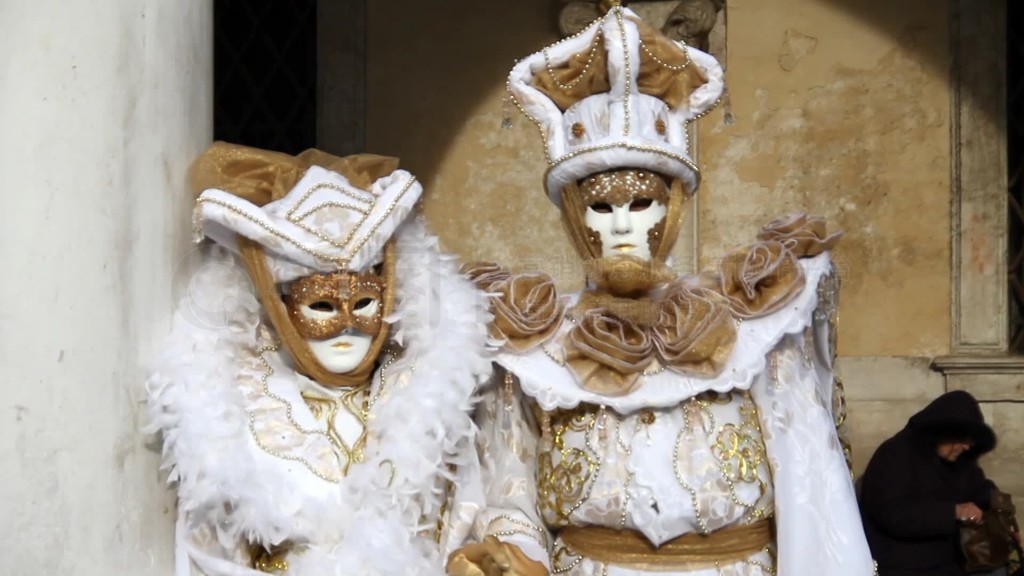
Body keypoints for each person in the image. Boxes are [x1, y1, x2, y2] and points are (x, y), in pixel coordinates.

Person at [445, 4, 875, 575]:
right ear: (576, 216)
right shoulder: (533, 348)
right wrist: (512, 558)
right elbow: (509, 487)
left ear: (671, 208)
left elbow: (809, 484)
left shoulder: (752, 330)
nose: (621, 226)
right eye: (600, 207)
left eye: (641, 202)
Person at [146, 142, 492, 575]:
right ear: (280, 308)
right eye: (322, 307)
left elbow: (465, 524)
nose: (347, 328)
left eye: (364, 304)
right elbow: (207, 553)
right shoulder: (234, 408)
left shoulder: (430, 396)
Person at [860, 390, 999, 576]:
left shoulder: (958, 459)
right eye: (963, 439)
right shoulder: (894, 454)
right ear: (943, 432)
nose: (966, 447)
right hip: (904, 565)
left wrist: (996, 506)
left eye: (970, 442)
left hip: (953, 562)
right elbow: (893, 514)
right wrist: (954, 512)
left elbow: (977, 487)